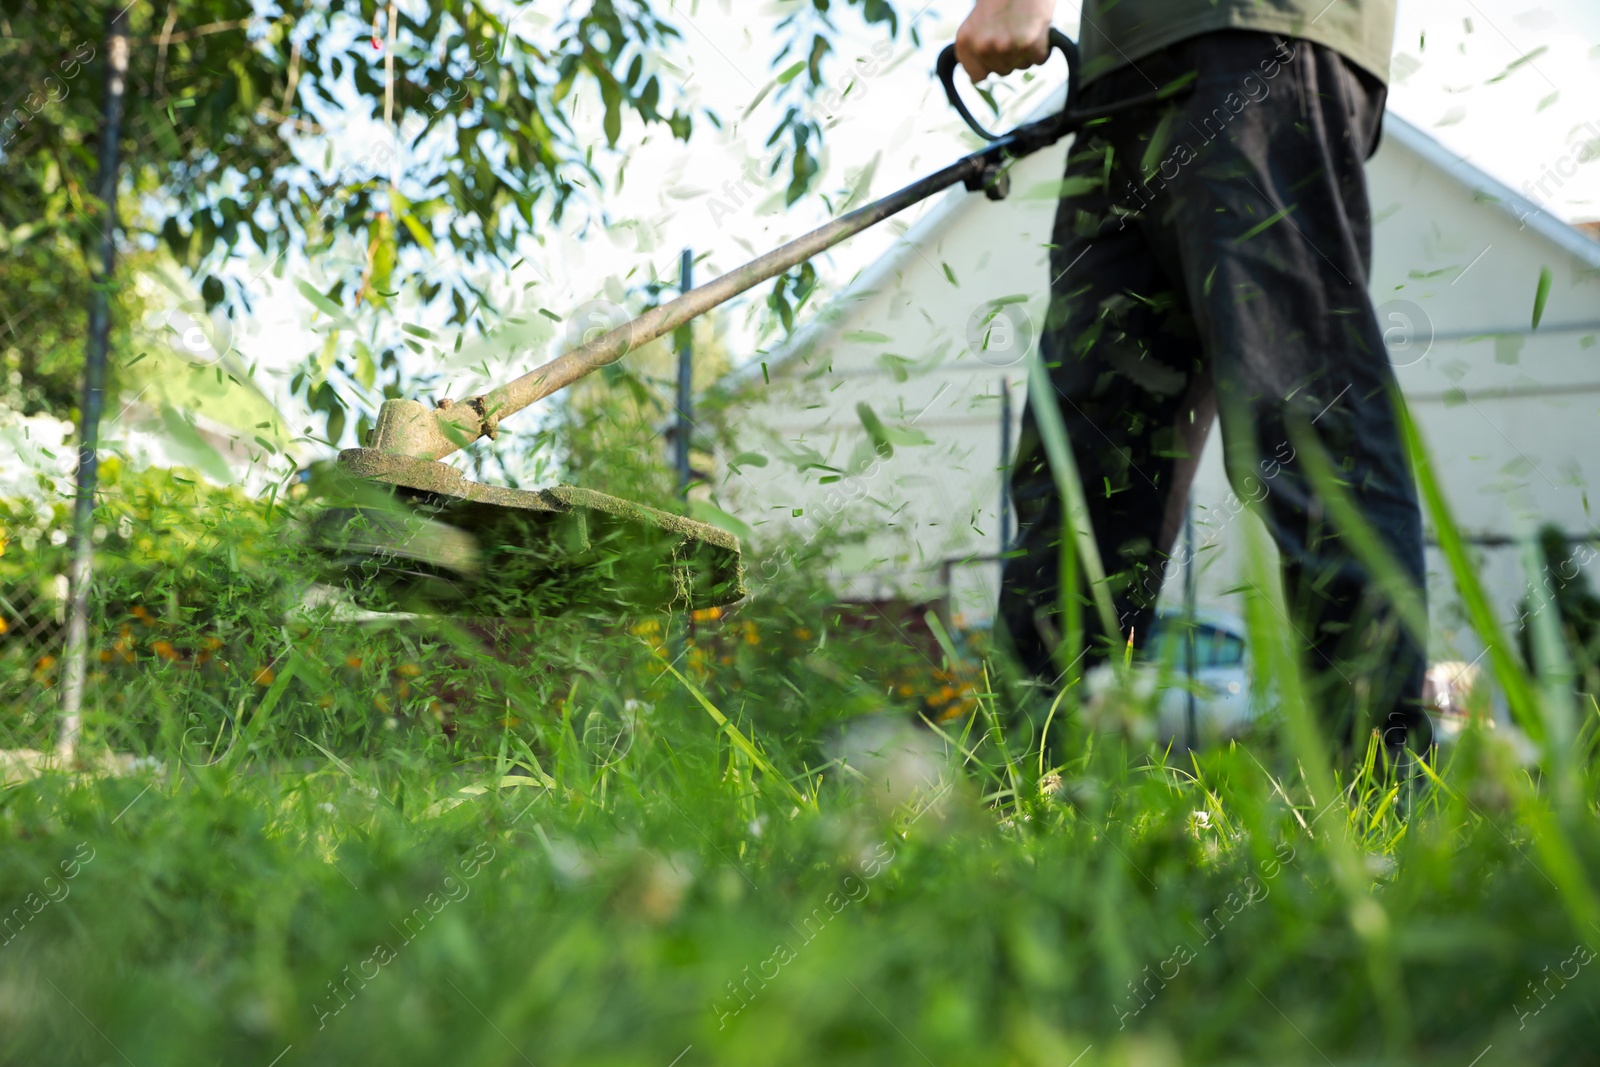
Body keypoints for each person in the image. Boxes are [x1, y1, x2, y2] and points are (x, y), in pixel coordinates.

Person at [956, 0, 1432, 763]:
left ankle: (1379, 800)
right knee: (1084, 465)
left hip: (1249, 33)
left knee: (1302, 419)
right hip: (1124, 68)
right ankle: (1026, 791)